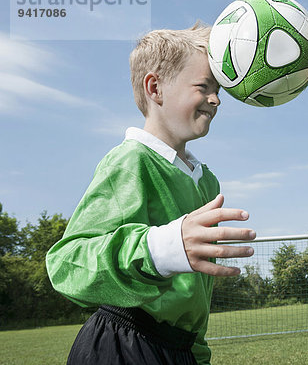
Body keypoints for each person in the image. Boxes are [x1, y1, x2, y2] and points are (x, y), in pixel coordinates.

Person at [46, 23, 256, 365]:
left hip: (178, 350)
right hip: (122, 345)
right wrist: (161, 248)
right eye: (204, 86)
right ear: (155, 87)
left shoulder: (207, 183)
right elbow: (67, 264)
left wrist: (194, 353)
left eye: (217, 89)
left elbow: (194, 300)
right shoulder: (130, 161)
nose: (216, 99)